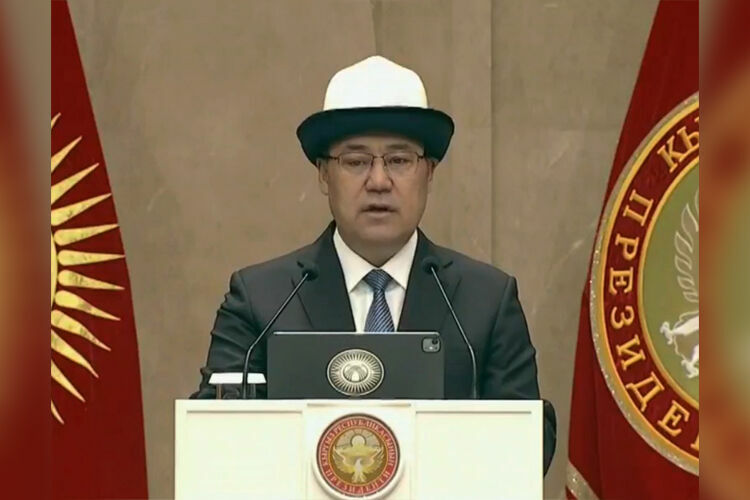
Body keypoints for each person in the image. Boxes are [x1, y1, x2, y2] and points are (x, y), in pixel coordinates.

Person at [191, 55, 556, 473]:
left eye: (399, 160)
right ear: (324, 174)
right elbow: (214, 436)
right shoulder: (261, 299)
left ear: (429, 172)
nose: (379, 181)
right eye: (356, 161)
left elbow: (530, 443)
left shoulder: (485, 300)